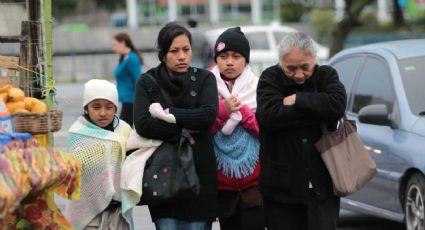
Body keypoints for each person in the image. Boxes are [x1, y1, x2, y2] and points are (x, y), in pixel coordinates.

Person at [256, 32, 347, 230]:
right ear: (281, 63)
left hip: (323, 186)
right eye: (291, 69)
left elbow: (337, 105)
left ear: (314, 60)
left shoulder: (327, 75)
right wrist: (318, 110)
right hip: (281, 189)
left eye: (305, 67)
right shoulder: (270, 78)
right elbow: (269, 116)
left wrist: (298, 100)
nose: (298, 75)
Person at [133, 22, 218, 230]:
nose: (182, 56)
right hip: (164, 175)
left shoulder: (205, 78)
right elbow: (143, 124)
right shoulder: (147, 82)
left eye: (186, 49)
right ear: (162, 54)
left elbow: (208, 116)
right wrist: (187, 128)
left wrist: (169, 115)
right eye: (174, 51)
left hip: (200, 176)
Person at [209, 27, 264, 230]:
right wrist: (223, 110)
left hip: (254, 184)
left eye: (236, 56)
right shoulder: (207, 87)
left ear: (246, 60)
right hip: (223, 184)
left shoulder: (259, 88)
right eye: (223, 56)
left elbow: (266, 133)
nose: (229, 61)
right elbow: (202, 130)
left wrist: (245, 114)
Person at [65, 79, 132, 230]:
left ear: (115, 108)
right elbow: (74, 175)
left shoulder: (124, 130)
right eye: (96, 107)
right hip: (89, 215)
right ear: (86, 109)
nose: (103, 113)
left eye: (109, 107)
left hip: (118, 212)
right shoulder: (77, 133)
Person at [112, 32, 143, 127]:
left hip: (131, 100)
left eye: (115, 45)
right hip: (126, 100)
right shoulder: (124, 58)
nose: (113, 48)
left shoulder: (132, 59)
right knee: (124, 128)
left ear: (123, 43)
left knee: (123, 129)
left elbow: (138, 79)